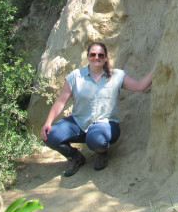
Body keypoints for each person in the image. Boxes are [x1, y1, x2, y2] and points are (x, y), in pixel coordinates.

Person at [40, 42, 152, 177]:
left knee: (96, 140)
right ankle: (75, 157)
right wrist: (48, 122)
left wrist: (158, 67)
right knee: (49, 136)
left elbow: (140, 86)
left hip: (105, 124)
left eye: (100, 55)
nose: (96, 57)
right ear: (88, 57)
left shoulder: (116, 75)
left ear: (105, 58)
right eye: (93, 55)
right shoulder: (76, 76)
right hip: (79, 122)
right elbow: (60, 102)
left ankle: (101, 153)